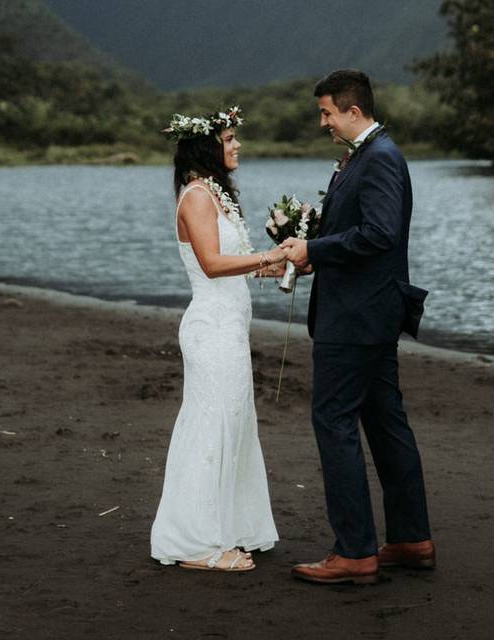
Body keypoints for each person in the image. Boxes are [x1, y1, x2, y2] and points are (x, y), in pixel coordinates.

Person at [281, 70, 434, 584]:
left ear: (352, 110)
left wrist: (315, 249)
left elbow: (381, 234)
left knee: (334, 423)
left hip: (356, 318)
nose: (322, 122)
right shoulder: (367, 156)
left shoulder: (381, 158)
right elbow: (360, 230)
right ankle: (411, 540)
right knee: (386, 426)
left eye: (326, 112)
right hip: (369, 314)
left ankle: (354, 553)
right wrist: (309, 243)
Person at [150, 107, 286, 572]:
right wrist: (263, 256)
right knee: (213, 424)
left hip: (230, 324)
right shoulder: (196, 198)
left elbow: (236, 263)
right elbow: (211, 264)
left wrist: (282, 258)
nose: (237, 145)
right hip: (211, 328)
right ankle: (197, 543)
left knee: (236, 422)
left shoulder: (215, 195)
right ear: (208, 147)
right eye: (230, 138)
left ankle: (235, 525)